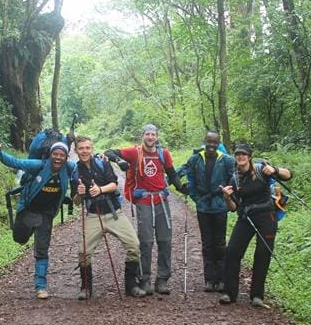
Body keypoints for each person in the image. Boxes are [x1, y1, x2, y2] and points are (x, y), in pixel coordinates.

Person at [104, 124, 187, 295]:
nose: (150, 137)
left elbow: (172, 174)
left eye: (153, 134)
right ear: (142, 136)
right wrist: (120, 161)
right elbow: (109, 152)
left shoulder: (163, 153)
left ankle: (162, 280)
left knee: (165, 240)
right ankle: (145, 279)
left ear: (157, 136)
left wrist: (181, 188)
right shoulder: (134, 152)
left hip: (161, 200)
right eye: (147, 134)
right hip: (143, 201)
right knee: (146, 241)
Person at [0, 140, 76, 299]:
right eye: (55, 154)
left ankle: (41, 287)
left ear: (66, 157)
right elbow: (16, 162)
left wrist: (100, 159)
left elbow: (85, 167)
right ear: (50, 155)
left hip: (46, 215)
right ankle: (26, 233)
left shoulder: (69, 168)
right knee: (19, 238)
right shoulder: (38, 165)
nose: (58, 158)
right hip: (29, 211)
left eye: (62, 155)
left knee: (42, 250)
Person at [218, 143, 293, 307]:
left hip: (267, 217)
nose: (240, 157)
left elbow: (289, 175)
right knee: (232, 252)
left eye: (244, 154)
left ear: (250, 157)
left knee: (262, 253)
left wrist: (275, 170)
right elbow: (233, 208)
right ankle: (229, 293)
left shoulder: (262, 170)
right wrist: (227, 198)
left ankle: (257, 295)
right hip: (246, 217)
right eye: (238, 154)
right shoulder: (235, 178)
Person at [71, 135, 146, 299]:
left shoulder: (102, 162)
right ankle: (86, 287)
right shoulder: (75, 171)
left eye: (87, 148)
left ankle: (131, 285)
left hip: (114, 213)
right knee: (83, 251)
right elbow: (76, 202)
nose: (84, 151)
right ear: (76, 151)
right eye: (81, 148)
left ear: (92, 148)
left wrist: (100, 189)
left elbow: (113, 184)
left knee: (133, 245)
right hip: (93, 215)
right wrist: (79, 193)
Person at [180, 131, 235, 292]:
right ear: (205, 141)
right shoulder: (195, 159)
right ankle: (209, 280)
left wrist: (228, 197)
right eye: (209, 142)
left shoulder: (226, 160)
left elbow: (234, 180)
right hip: (203, 206)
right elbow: (187, 175)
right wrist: (194, 196)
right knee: (207, 243)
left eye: (214, 142)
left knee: (220, 243)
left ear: (219, 143)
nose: (211, 145)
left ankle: (222, 279)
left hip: (219, 206)